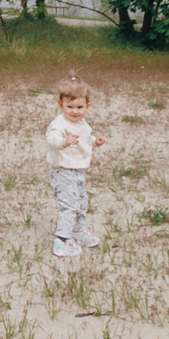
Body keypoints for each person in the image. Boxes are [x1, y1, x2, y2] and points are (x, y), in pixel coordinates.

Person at [44, 76, 101, 259]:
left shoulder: (82, 123)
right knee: (69, 206)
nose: (75, 111)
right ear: (61, 105)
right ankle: (61, 240)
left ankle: (77, 231)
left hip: (77, 172)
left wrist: (95, 142)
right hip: (63, 171)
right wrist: (63, 142)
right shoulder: (59, 124)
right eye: (70, 107)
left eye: (79, 107)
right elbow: (52, 139)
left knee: (81, 204)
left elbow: (84, 140)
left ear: (87, 107)